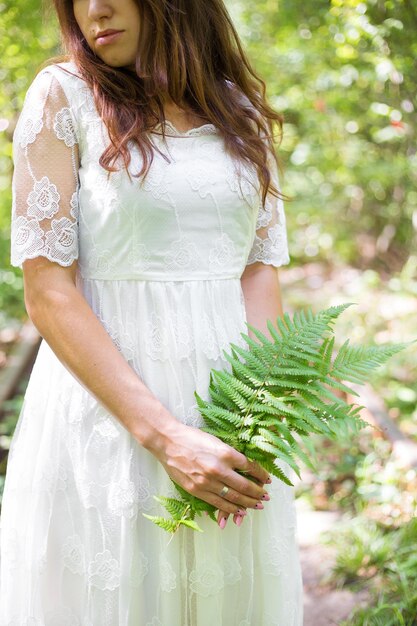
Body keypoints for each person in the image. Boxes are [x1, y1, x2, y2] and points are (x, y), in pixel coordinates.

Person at [0, 0, 304, 624]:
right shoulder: (64, 96)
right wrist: (165, 437)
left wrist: (269, 414)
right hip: (110, 421)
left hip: (231, 420)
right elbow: (48, 290)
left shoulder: (238, 111)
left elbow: (256, 270)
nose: (94, 10)